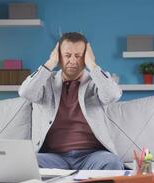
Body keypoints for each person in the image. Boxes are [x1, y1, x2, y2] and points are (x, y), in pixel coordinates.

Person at [18, 32, 123, 170]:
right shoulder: (46, 83)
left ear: (86, 57)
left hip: (92, 156)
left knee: (113, 163)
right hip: (54, 157)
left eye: (78, 56)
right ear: (59, 56)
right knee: (26, 163)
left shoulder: (95, 82)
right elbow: (25, 92)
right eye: (67, 55)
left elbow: (113, 95)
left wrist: (92, 65)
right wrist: (50, 63)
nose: (73, 61)